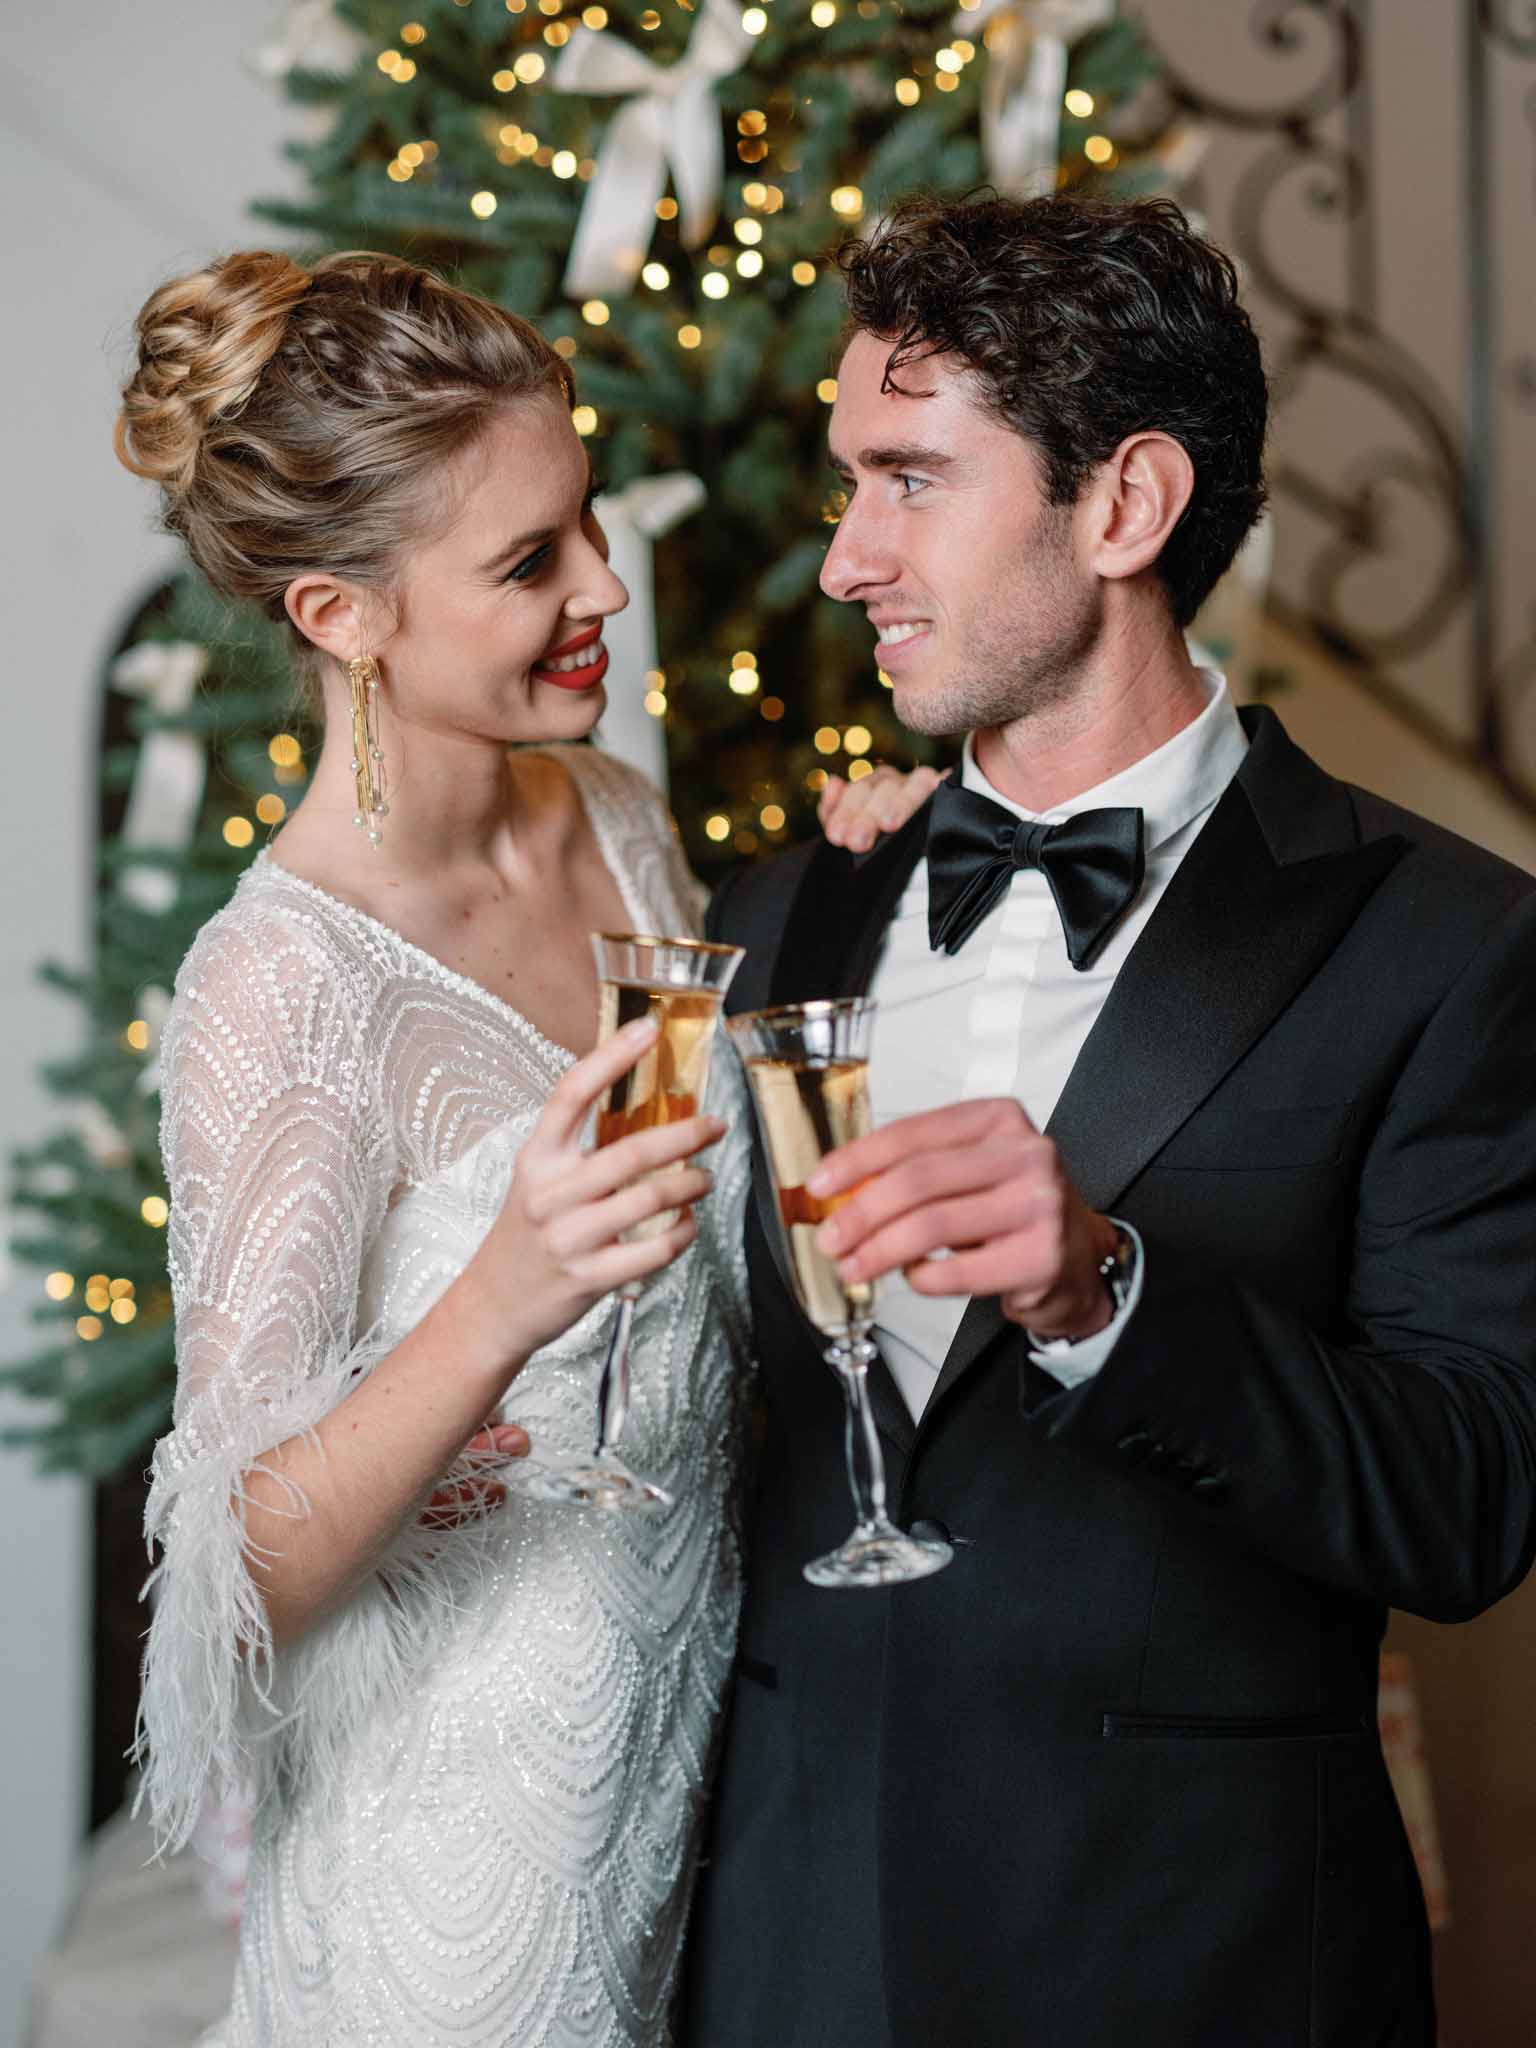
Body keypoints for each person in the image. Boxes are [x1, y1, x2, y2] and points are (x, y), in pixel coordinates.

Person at [683, 193, 1536, 2048]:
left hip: (1194, 1959)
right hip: (785, 1943)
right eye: (849, 480)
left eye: (910, 479)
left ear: (1127, 507)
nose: (845, 560)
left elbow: (1468, 1503)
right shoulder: (774, 916)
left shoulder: (1450, 939)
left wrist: (1109, 1291)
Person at [117, 247, 923, 2048]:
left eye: (584, 523)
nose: (605, 588)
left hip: (691, 1802)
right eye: (529, 561)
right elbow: (232, 1580)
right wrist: (499, 1294)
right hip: (455, 1894)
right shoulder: (282, 982)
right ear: (342, 616)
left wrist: (874, 901)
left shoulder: (620, 825)